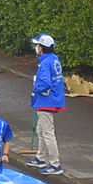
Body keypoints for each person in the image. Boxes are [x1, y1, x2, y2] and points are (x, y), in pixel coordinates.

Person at [31, 33, 66, 174]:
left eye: (38, 45)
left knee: (47, 132)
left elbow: (45, 83)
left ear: (42, 48)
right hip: (53, 99)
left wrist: (36, 88)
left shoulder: (45, 63)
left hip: (46, 101)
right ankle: (40, 158)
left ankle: (54, 164)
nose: (37, 47)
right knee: (41, 130)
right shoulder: (54, 59)